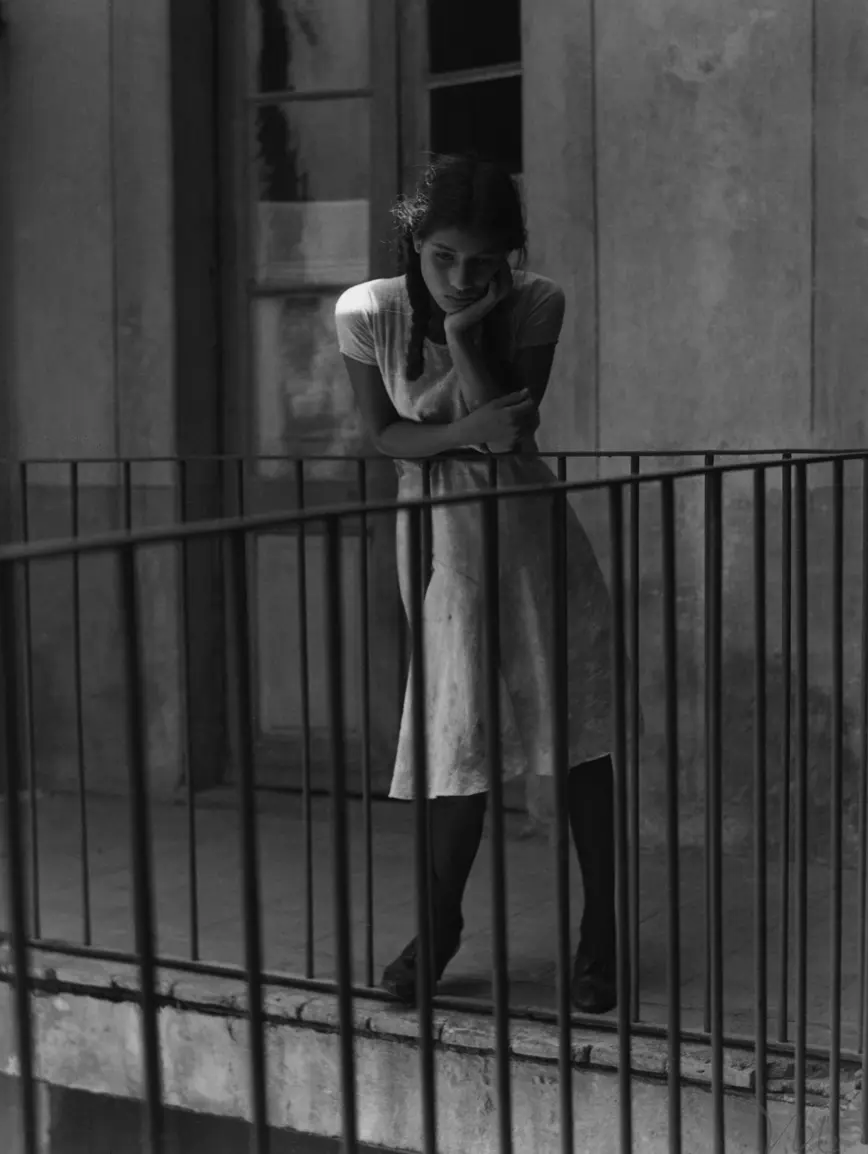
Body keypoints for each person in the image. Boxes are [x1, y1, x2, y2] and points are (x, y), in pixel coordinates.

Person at [334, 154, 617, 1014]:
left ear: (510, 258)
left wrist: (462, 343)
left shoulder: (537, 303)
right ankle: (439, 926)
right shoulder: (368, 310)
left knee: (577, 731)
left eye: (485, 262)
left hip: (528, 527)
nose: (463, 278)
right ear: (413, 240)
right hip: (438, 538)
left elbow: (508, 438)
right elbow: (384, 438)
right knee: (454, 732)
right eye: (444, 257)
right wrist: (463, 428)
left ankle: (601, 931)